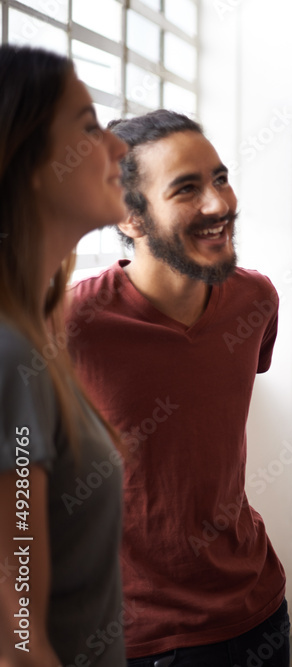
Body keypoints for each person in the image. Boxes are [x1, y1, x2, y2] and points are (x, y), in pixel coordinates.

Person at [65, 110, 288, 665]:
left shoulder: (256, 301)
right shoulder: (69, 324)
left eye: (220, 178)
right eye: (187, 189)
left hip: (258, 610)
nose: (219, 203)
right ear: (130, 217)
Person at [0, 45, 127, 665]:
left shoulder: (35, 335)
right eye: (87, 126)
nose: (118, 148)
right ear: (24, 156)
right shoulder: (8, 354)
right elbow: (18, 640)